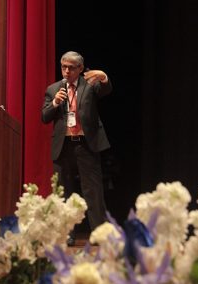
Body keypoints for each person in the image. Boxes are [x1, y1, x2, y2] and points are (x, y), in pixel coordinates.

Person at [41, 51, 112, 246]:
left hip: (85, 145)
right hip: (63, 147)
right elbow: (45, 116)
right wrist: (55, 102)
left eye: (71, 67)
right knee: (63, 192)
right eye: (63, 66)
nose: (66, 71)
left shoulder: (89, 85)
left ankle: (99, 233)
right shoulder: (53, 89)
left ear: (80, 68)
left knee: (93, 191)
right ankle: (67, 234)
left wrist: (103, 76)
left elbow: (105, 90)